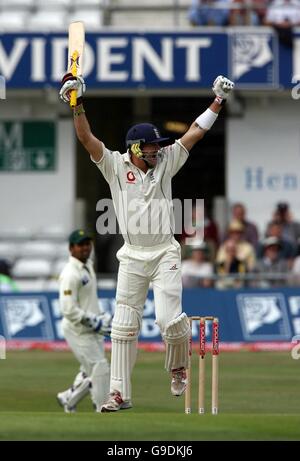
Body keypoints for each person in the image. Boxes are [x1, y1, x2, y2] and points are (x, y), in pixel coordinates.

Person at [59, 72, 234, 412]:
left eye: (158, 145)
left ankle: (179, 367)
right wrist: (76, 103)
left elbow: (194, 134)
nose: (158, 150)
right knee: (124, 326)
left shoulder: (166, 162)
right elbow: (86, 138)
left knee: (171, 322)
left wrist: (218, 101)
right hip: (133, 256)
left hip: (164, 252)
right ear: (137, 147)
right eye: (153, 146)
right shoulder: (113, 165)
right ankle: (119, 394)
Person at [57, 229, 112, 413]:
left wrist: (99, 316)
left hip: (91, 329)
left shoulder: (87, 264)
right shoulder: (70, 274)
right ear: (71, 248)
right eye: (81, 245)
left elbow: (88, 300)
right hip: (78, 330)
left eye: (87, 244)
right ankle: (102, 407)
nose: (85, 248)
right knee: (100, 368)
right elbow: (68, 309)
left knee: (88, 371)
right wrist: (93, 321)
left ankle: (68, 398)